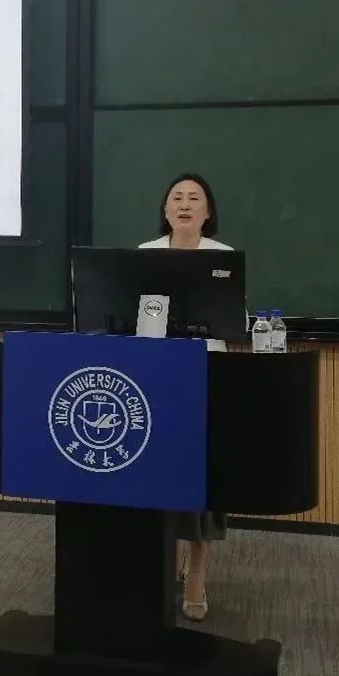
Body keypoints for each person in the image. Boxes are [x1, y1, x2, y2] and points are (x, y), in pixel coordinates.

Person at [138, 172, 232, 622]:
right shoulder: (145, 254)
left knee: (200, 483)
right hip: (157, 379)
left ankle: (196, 575)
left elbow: (234, 320)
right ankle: (163, 561)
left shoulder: (223, 257)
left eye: (195, 198)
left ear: (208, 212)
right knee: (159, 476)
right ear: (165, 209)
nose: (185, 204)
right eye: (177, 197)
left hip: (205, 375)